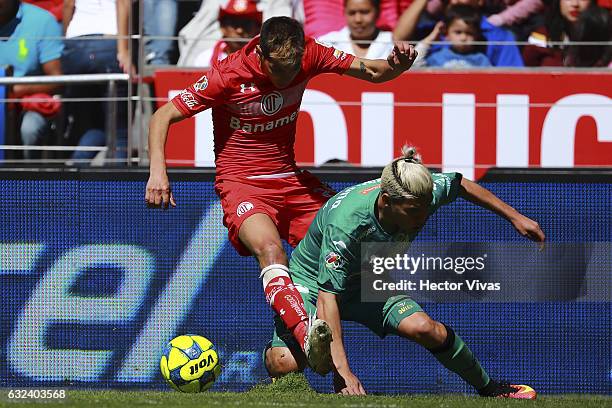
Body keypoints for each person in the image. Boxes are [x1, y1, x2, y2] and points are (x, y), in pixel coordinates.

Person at [145, 16, 419, 375]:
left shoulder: (311, 54)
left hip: (291, 180)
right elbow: (162, 115)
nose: (286, 79)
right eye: (278, 70)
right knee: (271, 250)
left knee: (351, 251)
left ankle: (314, 339)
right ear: (260, 52)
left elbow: (373, 71)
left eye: (292, 70)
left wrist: (398, 66)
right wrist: (158, 172)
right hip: (243, 183)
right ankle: (308, 336)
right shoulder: (227, 74)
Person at [263, 146, 545, 397]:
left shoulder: (422, 193)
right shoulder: (347, 223)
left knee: (426, 329)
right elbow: (328, 298)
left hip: (365, 282)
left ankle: (490, 388)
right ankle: (274, 353)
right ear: (386, 201)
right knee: (284, 362)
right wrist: (343, 374)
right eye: (412, 211)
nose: (421, 218)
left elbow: (460, 184)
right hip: (313, 284)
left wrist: (516, 217)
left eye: (424, 209)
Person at [62, 0, 134, 162]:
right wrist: (123, 50)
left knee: (89, 125)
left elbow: (68, 5)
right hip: (109, 42)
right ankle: (117, 185)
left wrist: (67, 41)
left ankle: (74, 176)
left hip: (76, 44)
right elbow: (123, 3)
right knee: (119, 132)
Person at [0, 0, 63, 160]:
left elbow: (57, 80)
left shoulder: (43, 21)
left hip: (27, 106)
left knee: (30, 128)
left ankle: (30, 180)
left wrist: (13, 90)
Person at [394, 0, 524, 66]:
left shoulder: (500, 38)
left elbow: (513, 81)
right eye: (457, 32)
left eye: (469, 33)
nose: (455, 1)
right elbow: (398, 39)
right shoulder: (432, 31)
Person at [194, 0, 263, 67]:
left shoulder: (266, 60)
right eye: (234, 24)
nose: (240, 30)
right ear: (223, 27)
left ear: (258, 28)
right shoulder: (205, 59)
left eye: (246, 24)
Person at [420, 5, 492, 67]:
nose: (463, 38)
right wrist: (430, 39)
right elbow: (415, 64)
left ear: (477, 35)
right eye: (458, 32)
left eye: (469, 33)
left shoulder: (481, 61)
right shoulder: (437, 58)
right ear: (446, 33)